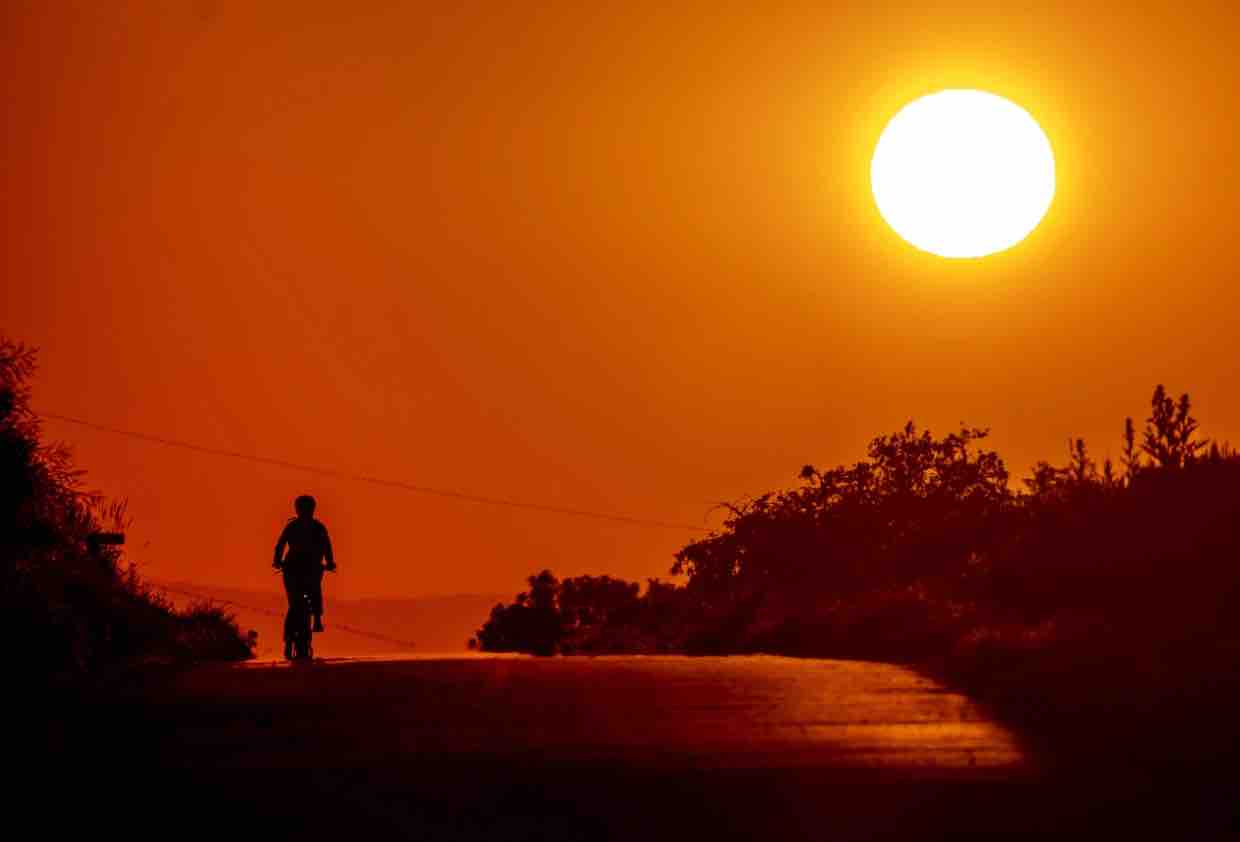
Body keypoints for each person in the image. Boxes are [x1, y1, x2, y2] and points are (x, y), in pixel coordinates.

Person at [272, 494, 336, 658]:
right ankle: (317, 620)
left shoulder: (292, 526)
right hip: (309, 569)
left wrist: (277, 561)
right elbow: (327, 547)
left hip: (293, 569)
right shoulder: (318, 527)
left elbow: (280, 545)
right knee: (314, 592)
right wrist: (330, 563)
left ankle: (289, 638)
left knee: (295, 602)